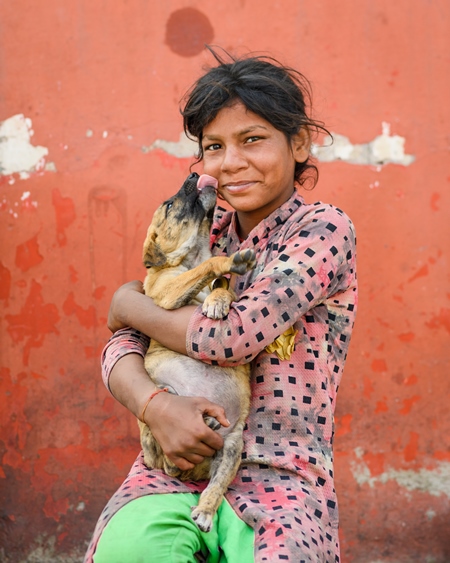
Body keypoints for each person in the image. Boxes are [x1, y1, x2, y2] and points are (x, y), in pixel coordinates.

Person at [85, 47, 358, 563]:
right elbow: (119, 349)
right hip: (170, 469)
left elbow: (231, 336)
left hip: (282, 480)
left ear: (298, 142)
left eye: (252, 139)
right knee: (129, 550)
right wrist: (155, 405)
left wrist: (127, 301)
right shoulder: (203, 228)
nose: (231, 163)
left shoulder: (322, 230)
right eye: (214, 146)